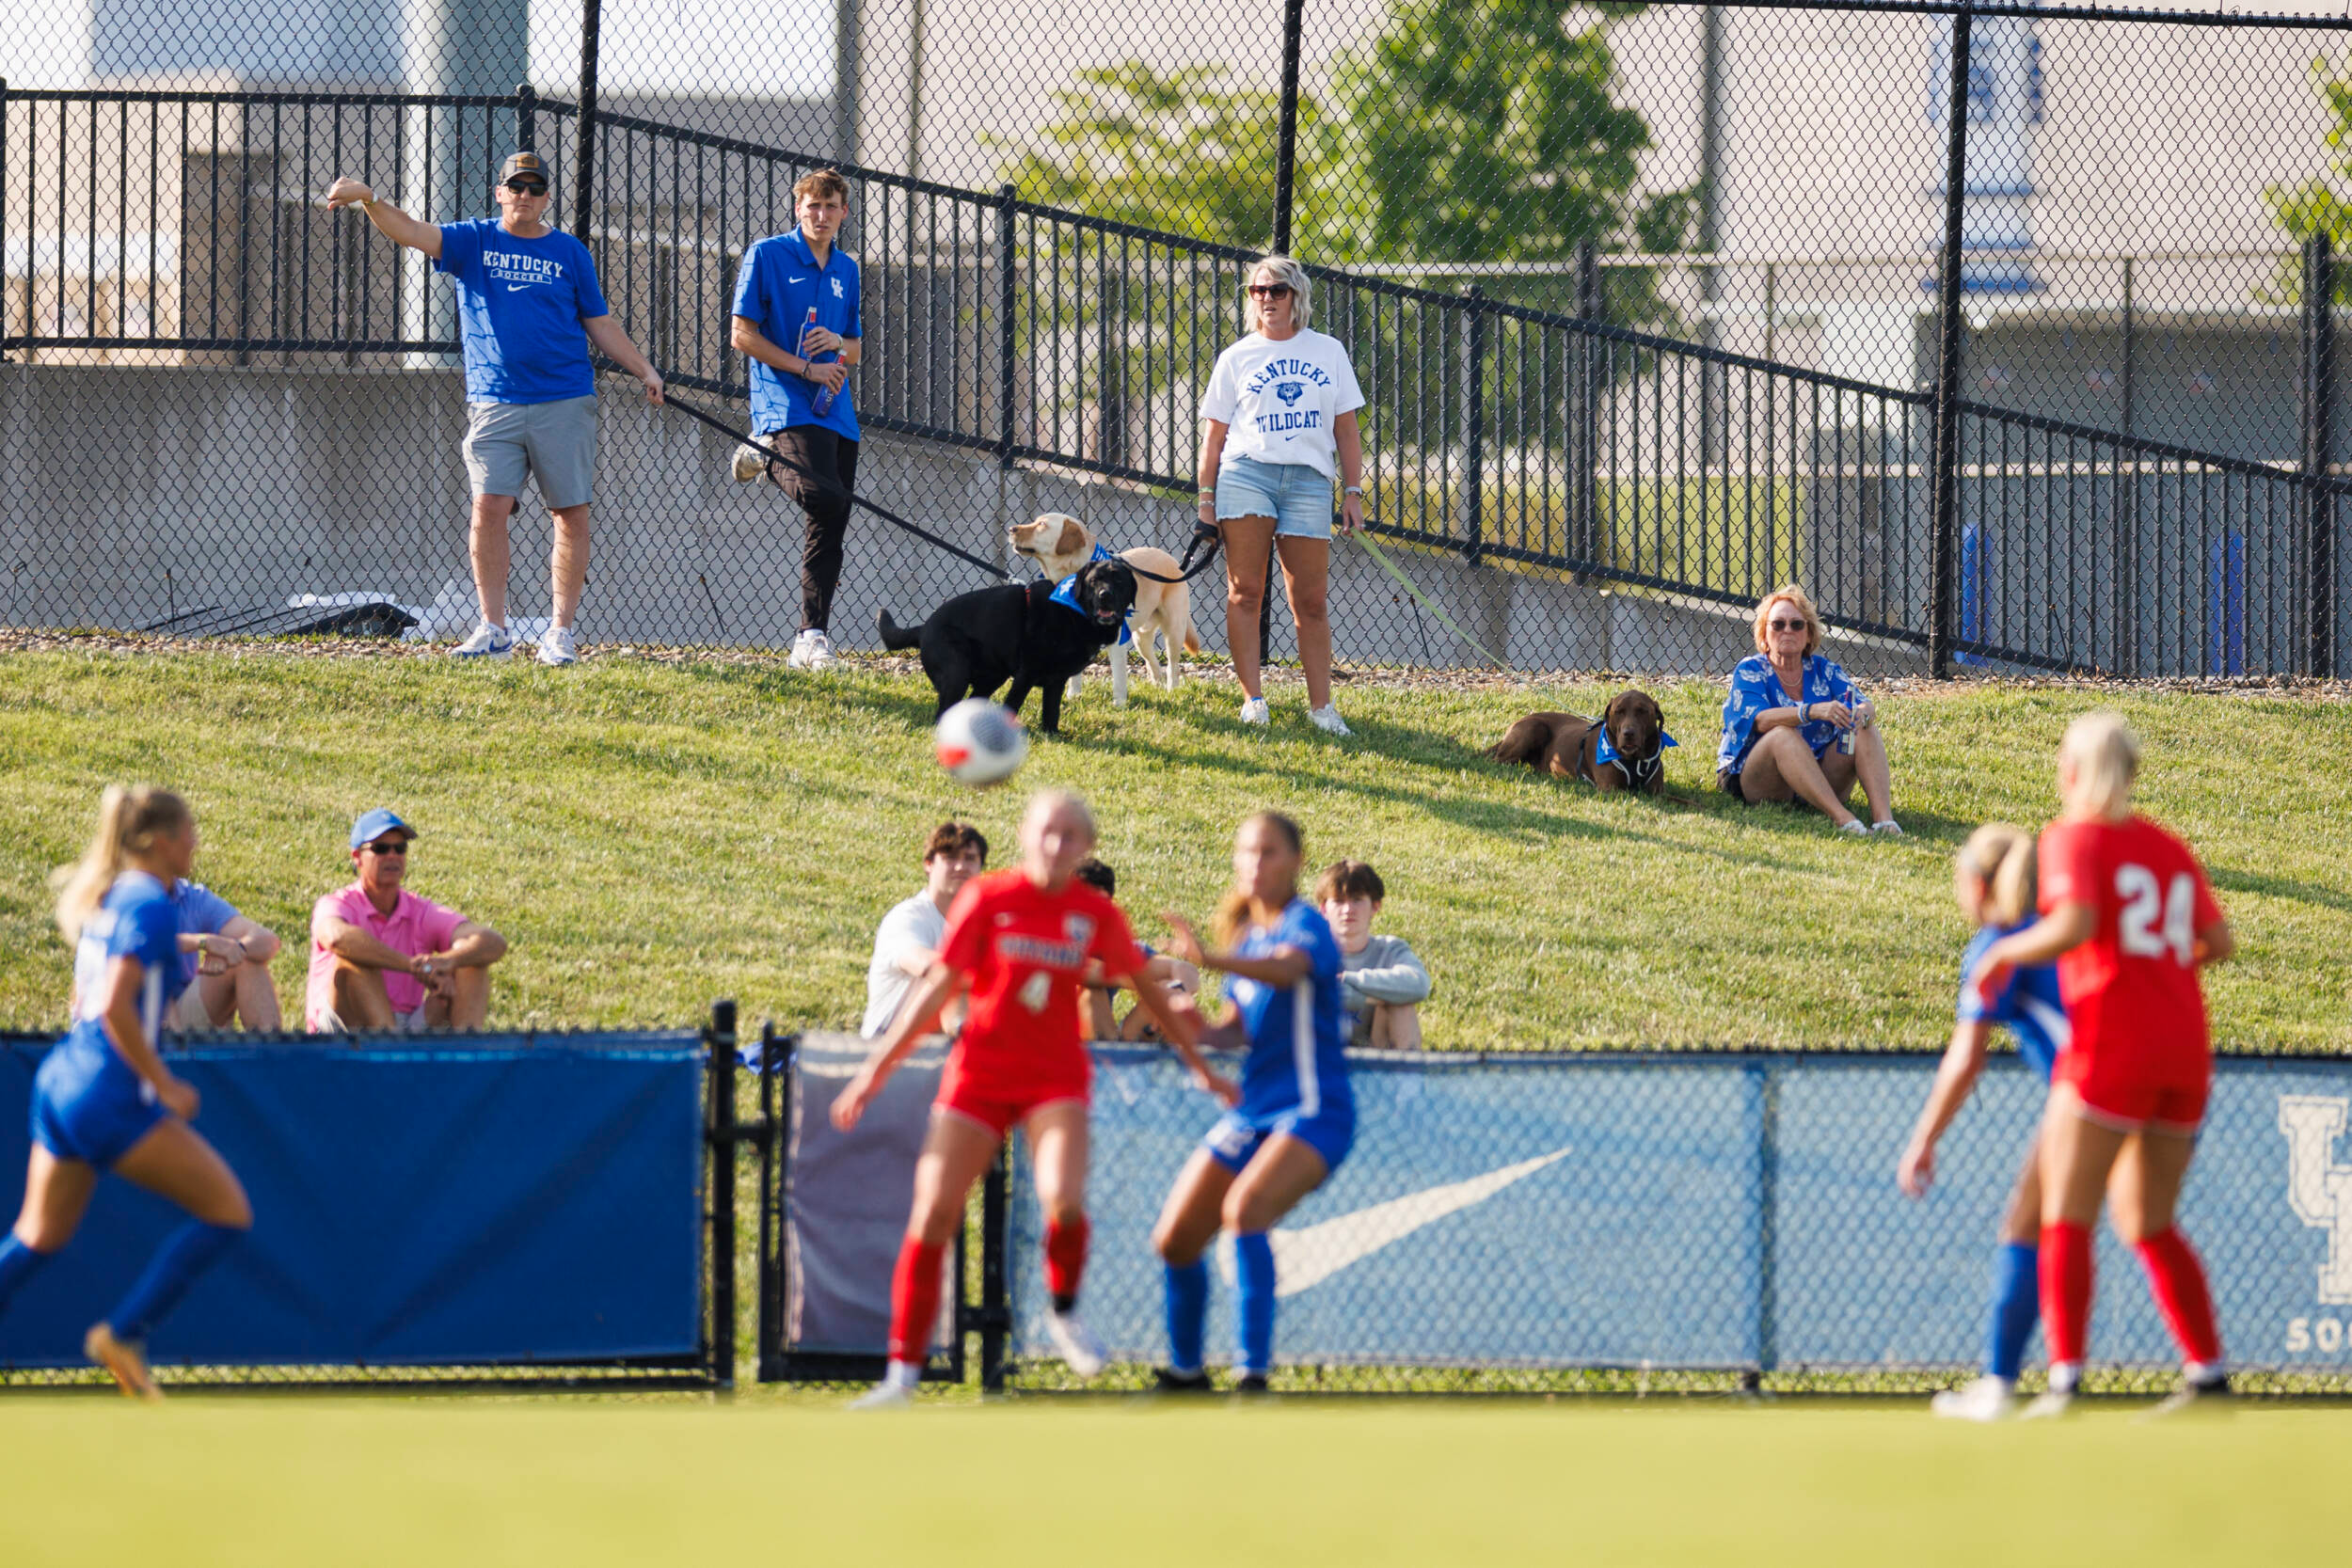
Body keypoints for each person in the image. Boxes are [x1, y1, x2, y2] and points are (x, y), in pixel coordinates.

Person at [830, 790, 1233, 1410]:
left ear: (1086, 846)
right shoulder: (988, 898)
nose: (1056, 844)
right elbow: (938, 985)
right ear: (1024, 834)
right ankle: (900, 1378)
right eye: (1046, 830)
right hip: (981, 1072)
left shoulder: (1094, 914)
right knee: (933, 1213)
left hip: (1054, 1076)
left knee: (1063, 1200)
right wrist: (873, 1072)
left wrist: (1202, 1067)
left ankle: (1063, 1311)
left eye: (1070, 835)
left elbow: (1152, 990)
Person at [1965, 713, 2234, 1418]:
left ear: (2076, 770)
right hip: (2185, 1046)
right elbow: (2218, 942)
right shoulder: (2168, 847)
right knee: (2148, 1221)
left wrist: (2004, 951)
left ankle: (2066, 1382)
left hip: (2114, 1041)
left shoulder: (2072, 836)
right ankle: (2208, 1375)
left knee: (2065, 1214)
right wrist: (2159, 971)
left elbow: (2075, 924)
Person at [325, 152, 665, 667]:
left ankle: (560, 633)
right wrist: (369, 198)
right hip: (494, 400)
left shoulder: (569, 252)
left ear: (546, 197)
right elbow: (411, 232)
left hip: (563, 398)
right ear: (500, 192)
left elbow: (599, 322)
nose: (525, 195)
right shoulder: (474, 239)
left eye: (535, 188)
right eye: (516, 187)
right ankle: (493, 629)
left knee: (570, 514)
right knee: (488, 509)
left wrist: (644, 369)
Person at [0, 787, 254, 1400]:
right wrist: (164, 1083)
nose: (195, 842)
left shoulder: (113, 896)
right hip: (105, 1088)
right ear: (162, 841)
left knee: (37, 1237)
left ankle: (122, 1336)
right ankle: (122, 1335)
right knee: (228, 1212)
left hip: (62, 1079)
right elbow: (116, 1005)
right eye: (189, 831)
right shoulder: (149, 904)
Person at [1153, 813, 1353, 1394]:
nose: (1255, 863)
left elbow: (1289, 972)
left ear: (1296, 861)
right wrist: (1197, 1027)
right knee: (1176, 1240)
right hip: (1254, 1110)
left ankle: (1252, 1378)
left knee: (1244, 1211)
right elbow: (1235, 1031)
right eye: (1246, 851)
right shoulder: (1247, 937)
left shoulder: (1306, 926)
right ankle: (1187, 1375)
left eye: (1268, 852)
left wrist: (1209, 960)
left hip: (1314, 1110)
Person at [1897, 825, 2073, 1421]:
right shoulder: (2055, 930)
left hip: (2084, 1093)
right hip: (2134, 1082)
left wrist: (1923, 1141)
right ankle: (2200, 1370)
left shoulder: (1997, 943)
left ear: (1976, 885)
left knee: (2026, 1226)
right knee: (2135, 1229)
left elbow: (1966, 1058)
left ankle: (2004, 1384)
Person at [1195, 255, 1367, 736]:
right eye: (1258, 290)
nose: (1266, 299)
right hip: (1246, 475)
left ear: (1297, 296)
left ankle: (1322, 709)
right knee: (1245, 591)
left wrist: (1353, 491)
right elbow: (1213, 438)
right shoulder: (1236, 357)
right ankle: (1253, 699)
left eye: (1276, 290)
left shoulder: (1328, 351)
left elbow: (1346, 429)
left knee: (1310, 601)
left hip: (1309, 481)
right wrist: (1206, 502)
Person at [729, 168, 864, 673]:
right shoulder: (767, 254)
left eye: (830, 207)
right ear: (798, 208)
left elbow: (855, 347)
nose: (821, 216)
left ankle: (811, 637)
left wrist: (837, 344)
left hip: (835, 408)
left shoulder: (847, 268)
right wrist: (805, 367)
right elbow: (742, 334)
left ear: (843, 213)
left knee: (832, 519)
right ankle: (764, 455)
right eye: (813, 206)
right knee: (823, 495)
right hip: (784, 399)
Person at [1717, 585, 1900, 834]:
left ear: (1809, 635)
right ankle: (1843, 818)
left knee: (1865, 729)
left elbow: (1864, 704)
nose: (1787, 630)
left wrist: (1862, 714)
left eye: (1796, 625)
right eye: (1777, 624)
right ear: (1764, 634)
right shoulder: (1751, 670)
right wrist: (1811, 711)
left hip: (1818, 774)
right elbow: (1759, 720)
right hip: (1758, 779)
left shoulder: (1824, 670)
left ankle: (1884, 821)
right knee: (1782, 734)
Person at [305, 810, 508, 1034]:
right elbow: (337, 937)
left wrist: (445, 962)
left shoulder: (419, 910)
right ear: (357, 857)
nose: (392, 856)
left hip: (407, 1023)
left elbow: (493, 942)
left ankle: (465, 1051)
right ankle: (392, 1048)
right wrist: (411, 965)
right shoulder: (337, 903)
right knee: (353, 960)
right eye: (381, 849)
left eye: (400, 848)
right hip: (343, 1026)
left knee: (471, 962)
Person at [863, 821, 988, 1037]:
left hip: (941, 1048)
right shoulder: (908, 917)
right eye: (950, 858)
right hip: (885, 1042)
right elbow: (928, 966)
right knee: (950, 981)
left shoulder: (980, 927)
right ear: (929, 864)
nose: (960, 867)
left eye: (970, 859)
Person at [1070, 858, 1202, 1041]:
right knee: (1092, 992)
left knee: (1168, 993)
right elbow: (1090, 973)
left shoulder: (1115, 945)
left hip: (1112, 1039)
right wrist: (1154, 992)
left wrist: (1175, 991)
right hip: (1056, 1041)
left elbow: (1187, 971)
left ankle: (1131, 1047)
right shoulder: (1053, 941)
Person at [1316, 860, 1430, 1051]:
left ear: (1375, 906)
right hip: (1316, 1051)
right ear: (1323, 909)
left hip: (1375, 1051)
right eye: (1339, 901)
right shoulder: (1308, 950)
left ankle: (1404, 1071)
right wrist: (1374, 994)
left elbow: (1419, 984)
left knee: (1401, 1005)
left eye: (1357, 900)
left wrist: (1347, 980)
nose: (1348, 910)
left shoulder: (1390, 949)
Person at [166, 879, 282, 1035]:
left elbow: (268, 940)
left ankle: (271, 1047)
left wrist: (233, 950)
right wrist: (203, 942)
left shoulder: (189, 896)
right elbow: (142, 945)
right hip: (139, 1016)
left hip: (181, 1007)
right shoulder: (134, 890)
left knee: (244, 960)